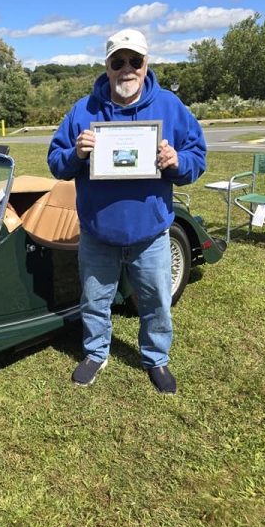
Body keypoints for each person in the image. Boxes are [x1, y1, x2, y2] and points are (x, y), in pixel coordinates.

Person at [47, 29, 206, 394]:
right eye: (118, 62)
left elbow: (197, 158)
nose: (127, 69)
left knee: (155, 301)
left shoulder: (169, 107)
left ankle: (156, 358)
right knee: (94, 300)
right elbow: (56, 163)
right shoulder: (82, 110)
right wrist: (76, 154)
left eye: (135, 61)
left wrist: (177, 161)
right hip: (97, 233)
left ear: (146, 63)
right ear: (107, 66)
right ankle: (95, 352)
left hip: (150, 234)